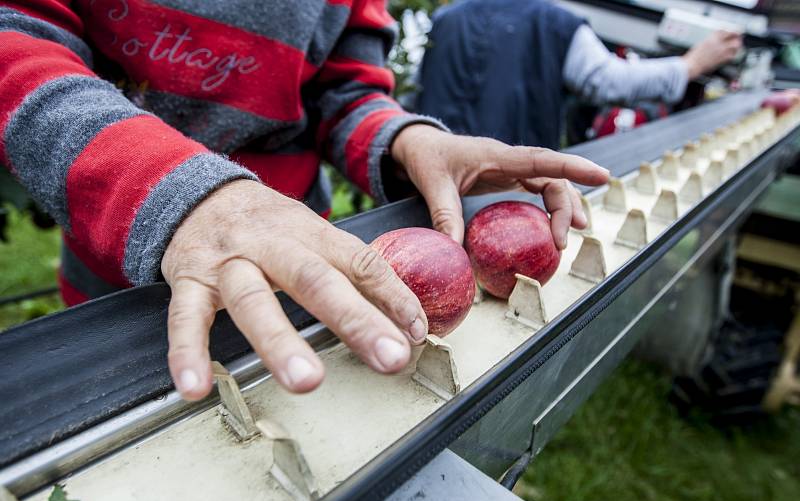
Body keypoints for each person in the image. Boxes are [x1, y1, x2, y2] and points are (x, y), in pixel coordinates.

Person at [0, 1, 608, 400]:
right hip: (125, 276)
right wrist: (181, 195)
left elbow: (342, 92)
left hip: (306, 274)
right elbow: (15, 41)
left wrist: (407, 138)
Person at [416, 0, 744, 150]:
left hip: (432, 185)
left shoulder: (447, 18)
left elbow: (416, 94)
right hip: (507, 195)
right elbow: (611, 82)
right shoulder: (554, 23)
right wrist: (691, 65)